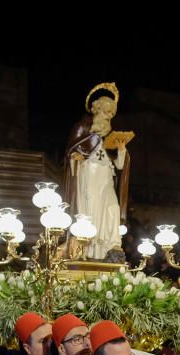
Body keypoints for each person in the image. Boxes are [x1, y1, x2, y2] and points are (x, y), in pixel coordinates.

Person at [64, 82, 131, 261]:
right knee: (91, 212)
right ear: (96, 110)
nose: (108, 117)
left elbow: (119, 165)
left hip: (106, 177)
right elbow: (72, 152)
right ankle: (87, 250)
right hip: (89, 175)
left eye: (111, 114)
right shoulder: (82, 128)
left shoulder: (111, 135)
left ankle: (111, 245)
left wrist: (122, 150)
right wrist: (75, 157)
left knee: (112, 207)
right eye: (106, 112)